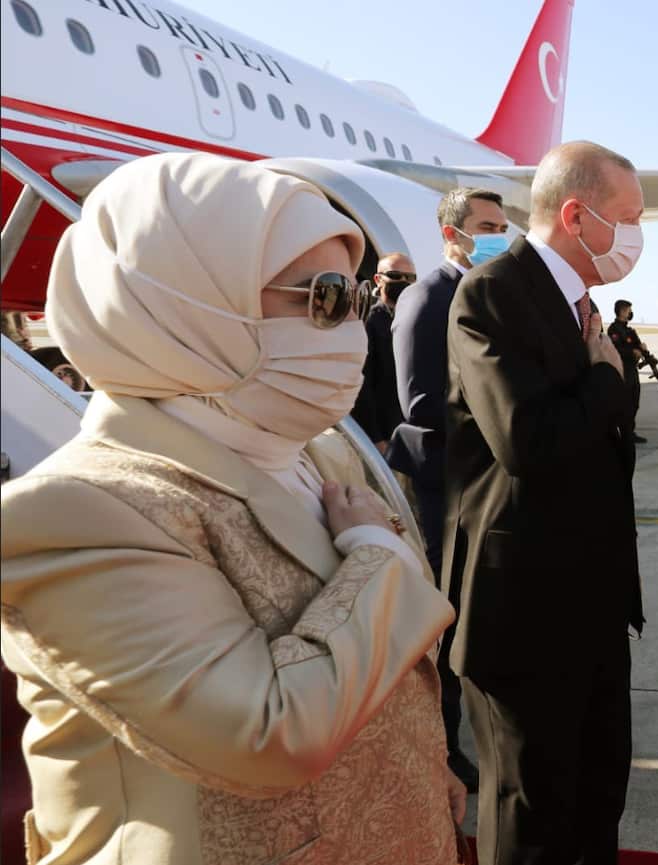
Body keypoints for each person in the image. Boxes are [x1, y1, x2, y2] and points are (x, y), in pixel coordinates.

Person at [0, 152, 466, 864]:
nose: (349, 329)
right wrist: (382, 557)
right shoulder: (74, 512)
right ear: (185, 300)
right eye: (325, 297)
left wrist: (422, 772)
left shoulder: (314, 448)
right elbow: (268, 733)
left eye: (354, 299)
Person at [445, 140, 644, 865]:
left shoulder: (583, 309)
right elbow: (525, 437)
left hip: (592, 604)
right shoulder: (493, 293)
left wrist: (608, 377)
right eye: (629, 216)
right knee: (531, 812)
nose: (637, 234)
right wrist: (604, 379)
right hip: (522, 612)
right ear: (576, 215)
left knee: (597, 796)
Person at [388, 187, 508, 795]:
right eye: (487, 226)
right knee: (447, 624)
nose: (499, 237)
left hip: (482, 491)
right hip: (447, 493)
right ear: (451, 235)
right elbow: (421, 406)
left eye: (503, 226)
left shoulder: (485, 295)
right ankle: (443, 744)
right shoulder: (428, 298)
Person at [351, 252, 415, 454]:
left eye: (410, 278)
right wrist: (376, 438)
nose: (404, 282)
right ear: (378, 279)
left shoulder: (413, 318)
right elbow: (363, 385)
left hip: (411, 436)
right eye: (396, 276)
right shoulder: (369, 321)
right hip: (385, 440)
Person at [607, 298, 648, 443]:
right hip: (622, 370)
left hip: (632, 370)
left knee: (634, 402)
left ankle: (630, 432)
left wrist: (642, 350)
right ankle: (622, 433)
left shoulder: (630, 331)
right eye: (628, 310)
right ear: (621, 311)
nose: (630, 313)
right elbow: (616, 349)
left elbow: (636, 345)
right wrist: (632, 352)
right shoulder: (614, 330)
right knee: (625, 403)